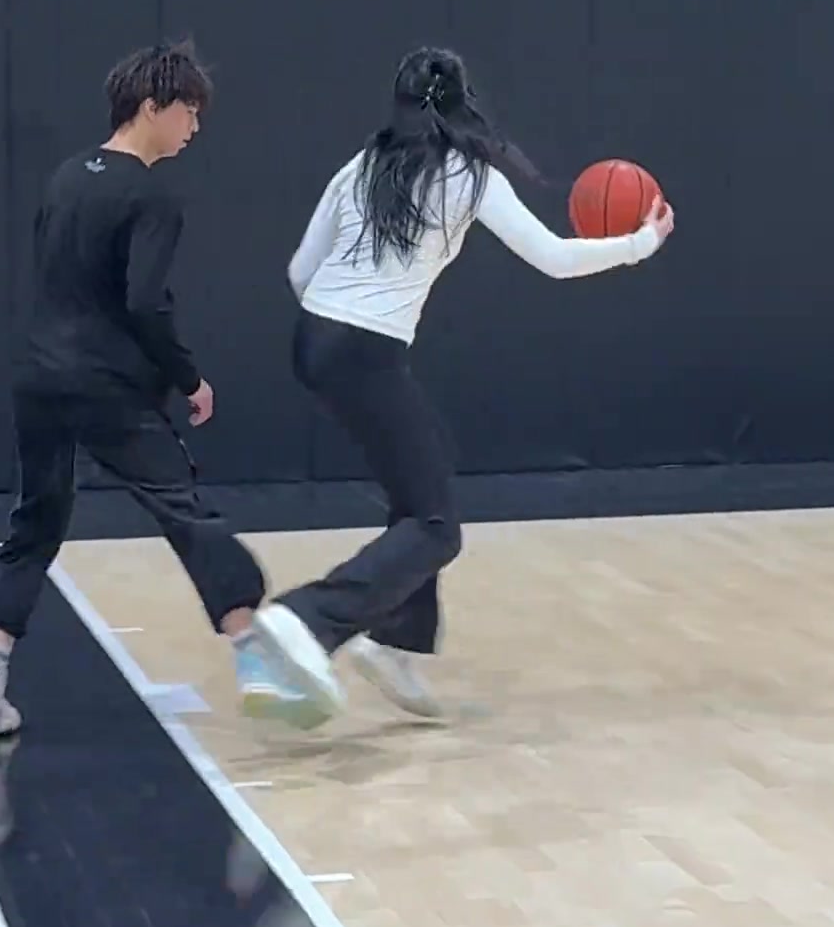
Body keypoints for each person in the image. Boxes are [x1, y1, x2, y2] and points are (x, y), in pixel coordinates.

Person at [250, 46, 675, 729]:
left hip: (314, 339)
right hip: (365, 350)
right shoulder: (469, 176)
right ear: (461, 104)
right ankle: (307, 618)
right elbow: (555, 259)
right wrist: (640, 244)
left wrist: (343, 325)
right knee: (436, 528)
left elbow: (302, 270)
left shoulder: (361, 165)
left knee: (423, 485)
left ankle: (395, 642)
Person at [0, 40, 317, 737]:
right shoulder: (151, 194)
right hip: (107, 385)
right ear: (153, 106)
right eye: (189, 112)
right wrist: (189, 377)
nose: (195, 127)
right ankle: (253, 659)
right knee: (183, 509)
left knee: (36, 522)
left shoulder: (66, 177)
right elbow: (145, 302)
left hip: (39, 378)